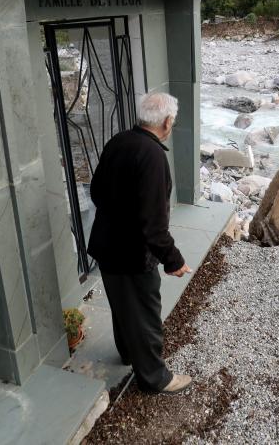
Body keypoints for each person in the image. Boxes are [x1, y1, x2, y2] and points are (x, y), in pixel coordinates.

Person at [87, 91, 193, 394]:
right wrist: (173, 260)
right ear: (167, 122)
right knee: (145, 315)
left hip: (106, 245)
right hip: (133, 254)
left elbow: (96, 192)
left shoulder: (118, 141)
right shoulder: (154, 156)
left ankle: (128, 354)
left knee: (122, 306)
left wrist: (118, 212)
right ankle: (155, 378)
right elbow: (154, 224)